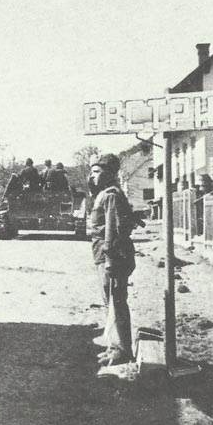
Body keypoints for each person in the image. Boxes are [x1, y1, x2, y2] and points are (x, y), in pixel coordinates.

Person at [88, 153, 136, 366]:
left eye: (97, 172)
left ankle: (122, 349)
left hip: (112, 256)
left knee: (116, 301)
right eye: (92, 171)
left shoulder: (110, 195)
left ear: (108, 174)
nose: (93, 176)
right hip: (103, 254)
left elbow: (113, 231)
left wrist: (110, 260)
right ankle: (114, 346)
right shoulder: (104, 194)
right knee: (111, 302)